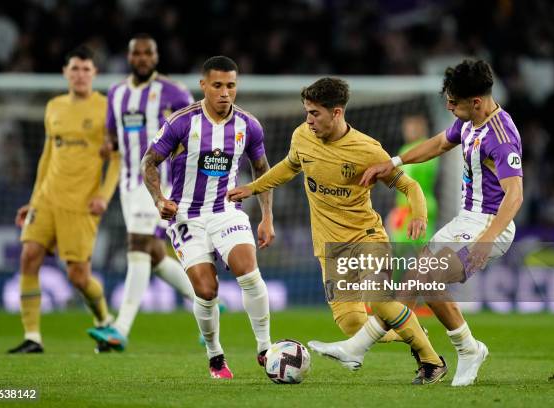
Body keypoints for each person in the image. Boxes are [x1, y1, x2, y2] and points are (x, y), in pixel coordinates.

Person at [227, 77, 447, 385]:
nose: (309, 120)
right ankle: (410, 331)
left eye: (315, 113)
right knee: (351, 324)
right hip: (330, 247)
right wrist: (253, 188)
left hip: (366, 238)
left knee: (380, 300)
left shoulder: (367, 149)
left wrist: (419, 214)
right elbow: (289, 166)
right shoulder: (302, 136)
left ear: (337, 112)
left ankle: (432, 362)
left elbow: (408, 185)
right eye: (307, 112)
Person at [360, 59, 523, 386]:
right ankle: (448, 352)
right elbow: (437, 144)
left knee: (426, 276)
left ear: (476, 102)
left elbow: (515, 195)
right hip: (465, 220)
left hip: (490, 224)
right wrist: (393, 162)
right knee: (413, 281)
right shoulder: (468, 123)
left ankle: (363, 346)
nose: (448, 106)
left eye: (453, 102)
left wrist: (487, 239)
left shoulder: (501, 136)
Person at [141, 56, 274, 379]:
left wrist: (267, 216)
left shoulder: (248, 125)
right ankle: (215, 355)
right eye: (217, 85)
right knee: (206, 290)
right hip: (186, 216)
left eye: (231, 85)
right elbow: (149, 162)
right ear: (204, 86)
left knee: (248, 271)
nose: (225, 92)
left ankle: (266, 349)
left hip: (226, 210)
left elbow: (262, 170)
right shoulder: (181, 122)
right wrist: (159, 199)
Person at [87, 34, 196, 352]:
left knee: (137, 245)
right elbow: (114, 133)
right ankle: (207, 299)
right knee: (154, 253)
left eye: (149, 53)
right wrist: (110, 145)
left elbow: (196, 128)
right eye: (138, 53)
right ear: (130, 57)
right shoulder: (117, 93)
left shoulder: (172, 91)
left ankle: (119, 330)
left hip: (159, 182)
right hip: (128, 183)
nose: (143, 58)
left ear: (156, 57)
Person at [8, 46, 120, 353]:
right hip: (47, 199)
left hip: (81, 204)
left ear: (94, 73)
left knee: (78, 276)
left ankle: (104, 322)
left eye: (86, 69)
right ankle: (33, 337)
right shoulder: (54, 106)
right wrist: (33, 200)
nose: (80, 74)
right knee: (29, 257)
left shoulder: (106, 109)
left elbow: (118, 158)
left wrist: (103, 196)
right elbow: (47, 155)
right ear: (65, 73)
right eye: (75, 69)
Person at [388, 113, 438, 244]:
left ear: (422, 127)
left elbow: (412, 181)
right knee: (399, 254)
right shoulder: (404, 149)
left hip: (420, 208)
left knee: (421, 252)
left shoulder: (428, 149)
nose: (409, 130)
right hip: (404, 209)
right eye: (407, 127)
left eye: (413, 126)